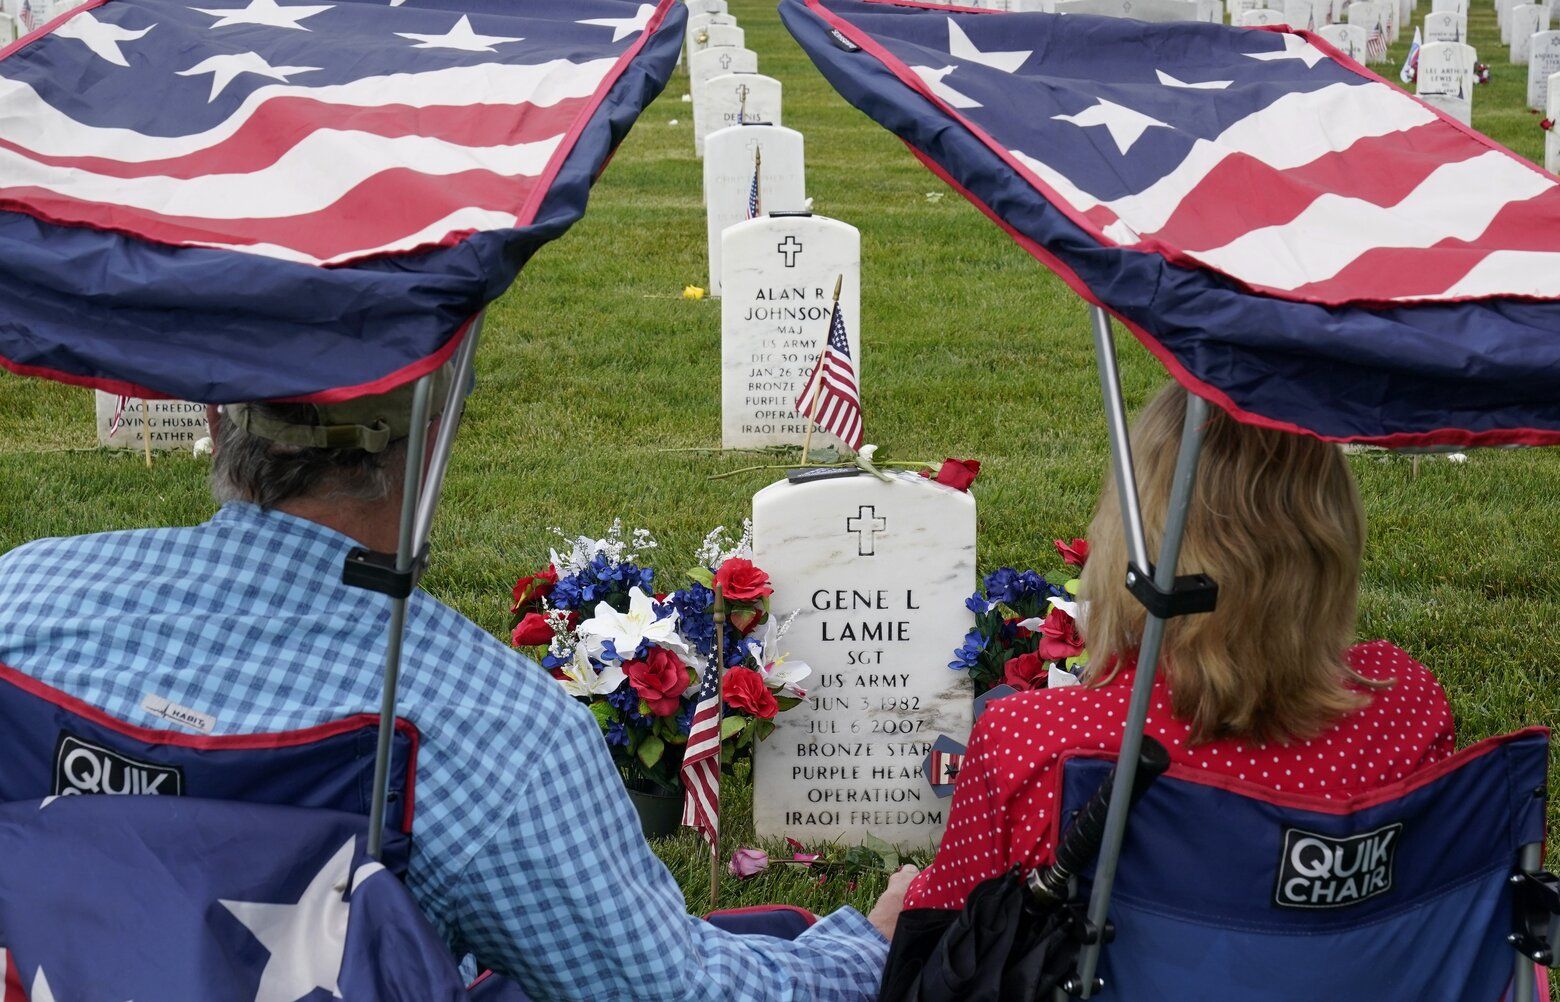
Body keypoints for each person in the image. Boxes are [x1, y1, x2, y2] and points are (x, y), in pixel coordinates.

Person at [0, 378, 914, 1001]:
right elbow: (665, 989)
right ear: (431, 441)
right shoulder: (493, 728)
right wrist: (864, 949)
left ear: (212, 421)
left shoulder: (25, 596)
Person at [905, 382, 1456, 912]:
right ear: (1330, 539)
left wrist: (894, 912)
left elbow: (950, 934)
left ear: (1131, 534)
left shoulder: (1036, 742)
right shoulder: (1406, 707)